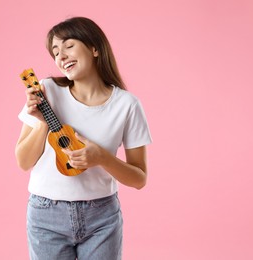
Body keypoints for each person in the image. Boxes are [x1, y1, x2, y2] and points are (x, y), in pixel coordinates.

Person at [15, 17, 152, 260]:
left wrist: (102, 158)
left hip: (102, 217)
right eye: (55, 52)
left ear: (94, 48)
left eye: (68, 46)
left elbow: (139, 178)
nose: (61, 56)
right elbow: (24, 162)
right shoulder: (46, 91)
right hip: (46, 215)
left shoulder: (127, 105)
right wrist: (42, 125)